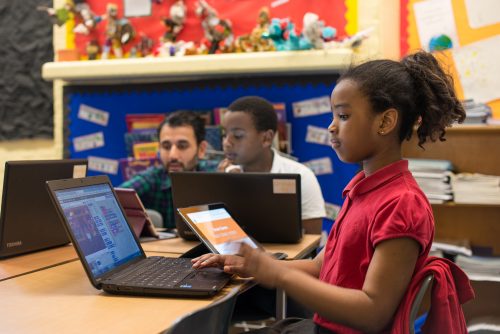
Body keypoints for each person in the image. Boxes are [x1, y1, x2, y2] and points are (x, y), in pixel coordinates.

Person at [192, 51, 468, 333]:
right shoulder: (362, 190)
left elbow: (372, 312)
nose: (331, 126)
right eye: (333, 115)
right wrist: (248, 265)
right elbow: (317, 267)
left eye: (344, 116)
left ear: (385, 122)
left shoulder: (401, 203)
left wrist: (278, 275)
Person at [219, 96, 326, 234]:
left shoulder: (301, 176)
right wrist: (225, 188)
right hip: (233, 255)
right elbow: (219, 235)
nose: (226, 143)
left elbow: (313, 240)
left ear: (266, 138)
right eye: (224, 134)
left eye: (238, 135)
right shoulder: (226, 175)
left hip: (287, 256)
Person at [119, 111, 215, 229]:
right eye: (166, 146)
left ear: (201, 149)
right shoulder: (152, 178)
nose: (173, 155)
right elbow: (111, 200)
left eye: (182, 146)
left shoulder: (215, 175)